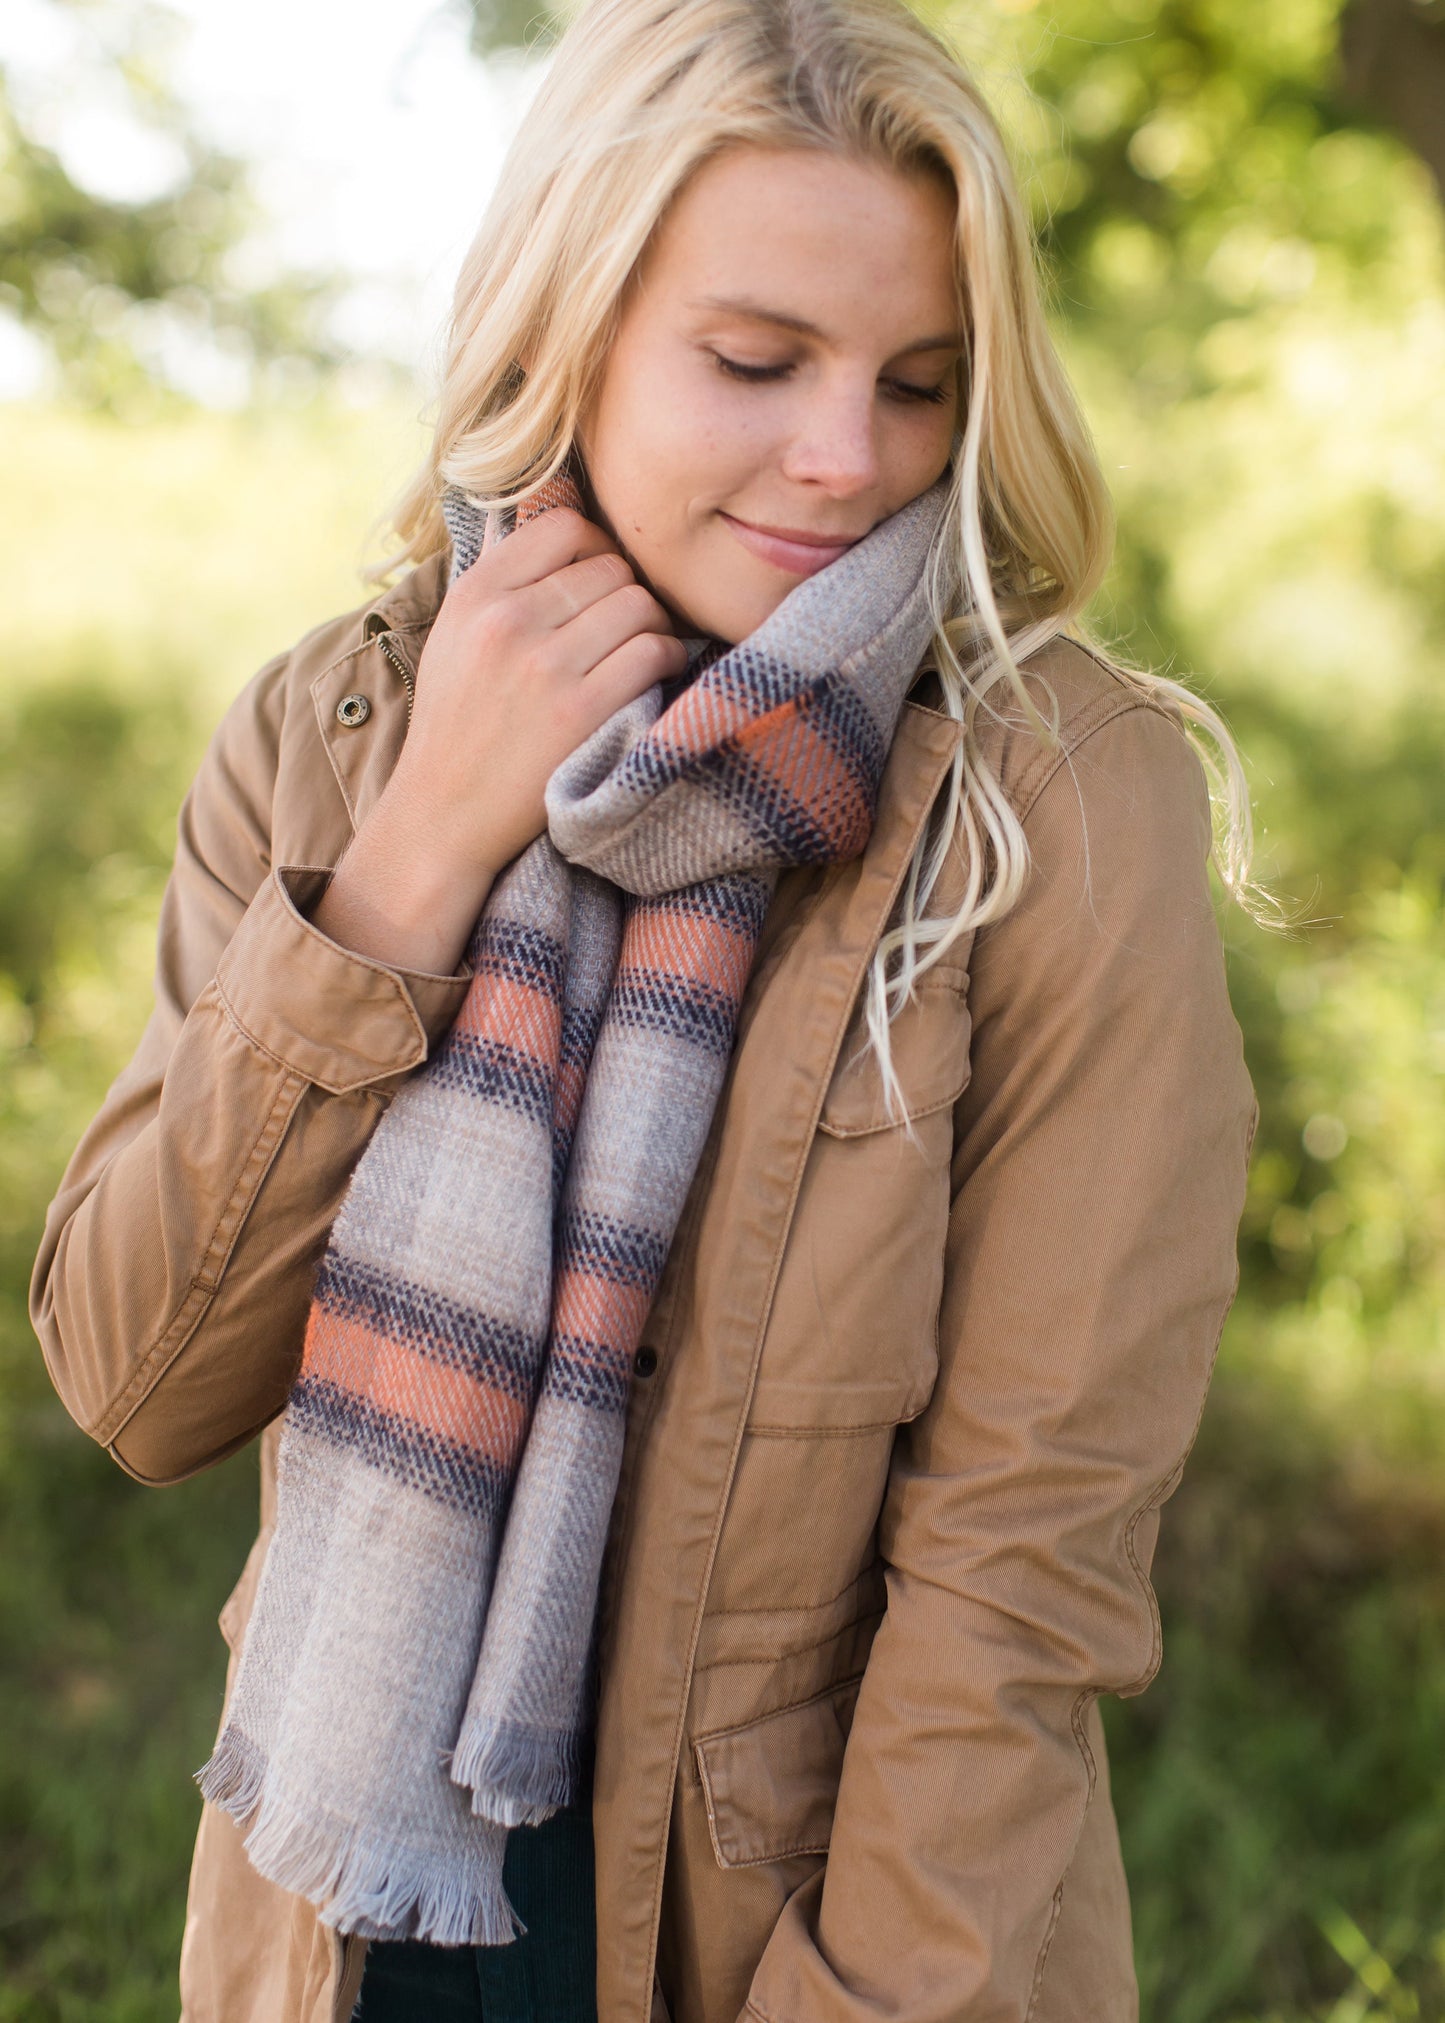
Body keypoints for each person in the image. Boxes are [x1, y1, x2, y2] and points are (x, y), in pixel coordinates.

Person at [30, 0, 1259, 2016]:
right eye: (754, 361)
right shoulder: (332, 726)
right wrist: (418, 848)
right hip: (341, 1925)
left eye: (922, 383)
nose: (847, 459)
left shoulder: (1057, 796)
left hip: (810, 1947)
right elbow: (141, 1379)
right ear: (562, 329)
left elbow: (1019, 1584)